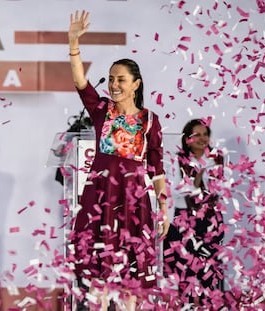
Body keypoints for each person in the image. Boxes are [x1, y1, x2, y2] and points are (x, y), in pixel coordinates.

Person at [67, 10, 170, 310]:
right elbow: (81, 83)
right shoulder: (102, 110)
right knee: (97, 281)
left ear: (136, 84)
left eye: (121, 79)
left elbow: (157, 169)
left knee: (130, 287)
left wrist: (163, 208)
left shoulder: (150, 120)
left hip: (134, 203)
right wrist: (73, 44)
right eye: (111, 79)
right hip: (101, 198)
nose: (114, 84)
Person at [163, 118, 225, 309]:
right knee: (184, 273)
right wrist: (198, 174)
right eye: (196, 134)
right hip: (183, 221)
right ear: (187, 138)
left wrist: (209, 171)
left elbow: (220, 190)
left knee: (211, 271)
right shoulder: (176, 159)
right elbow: (174, 190)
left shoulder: (217, 159)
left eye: (205, 134)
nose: (202, 138)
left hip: (209, 220)